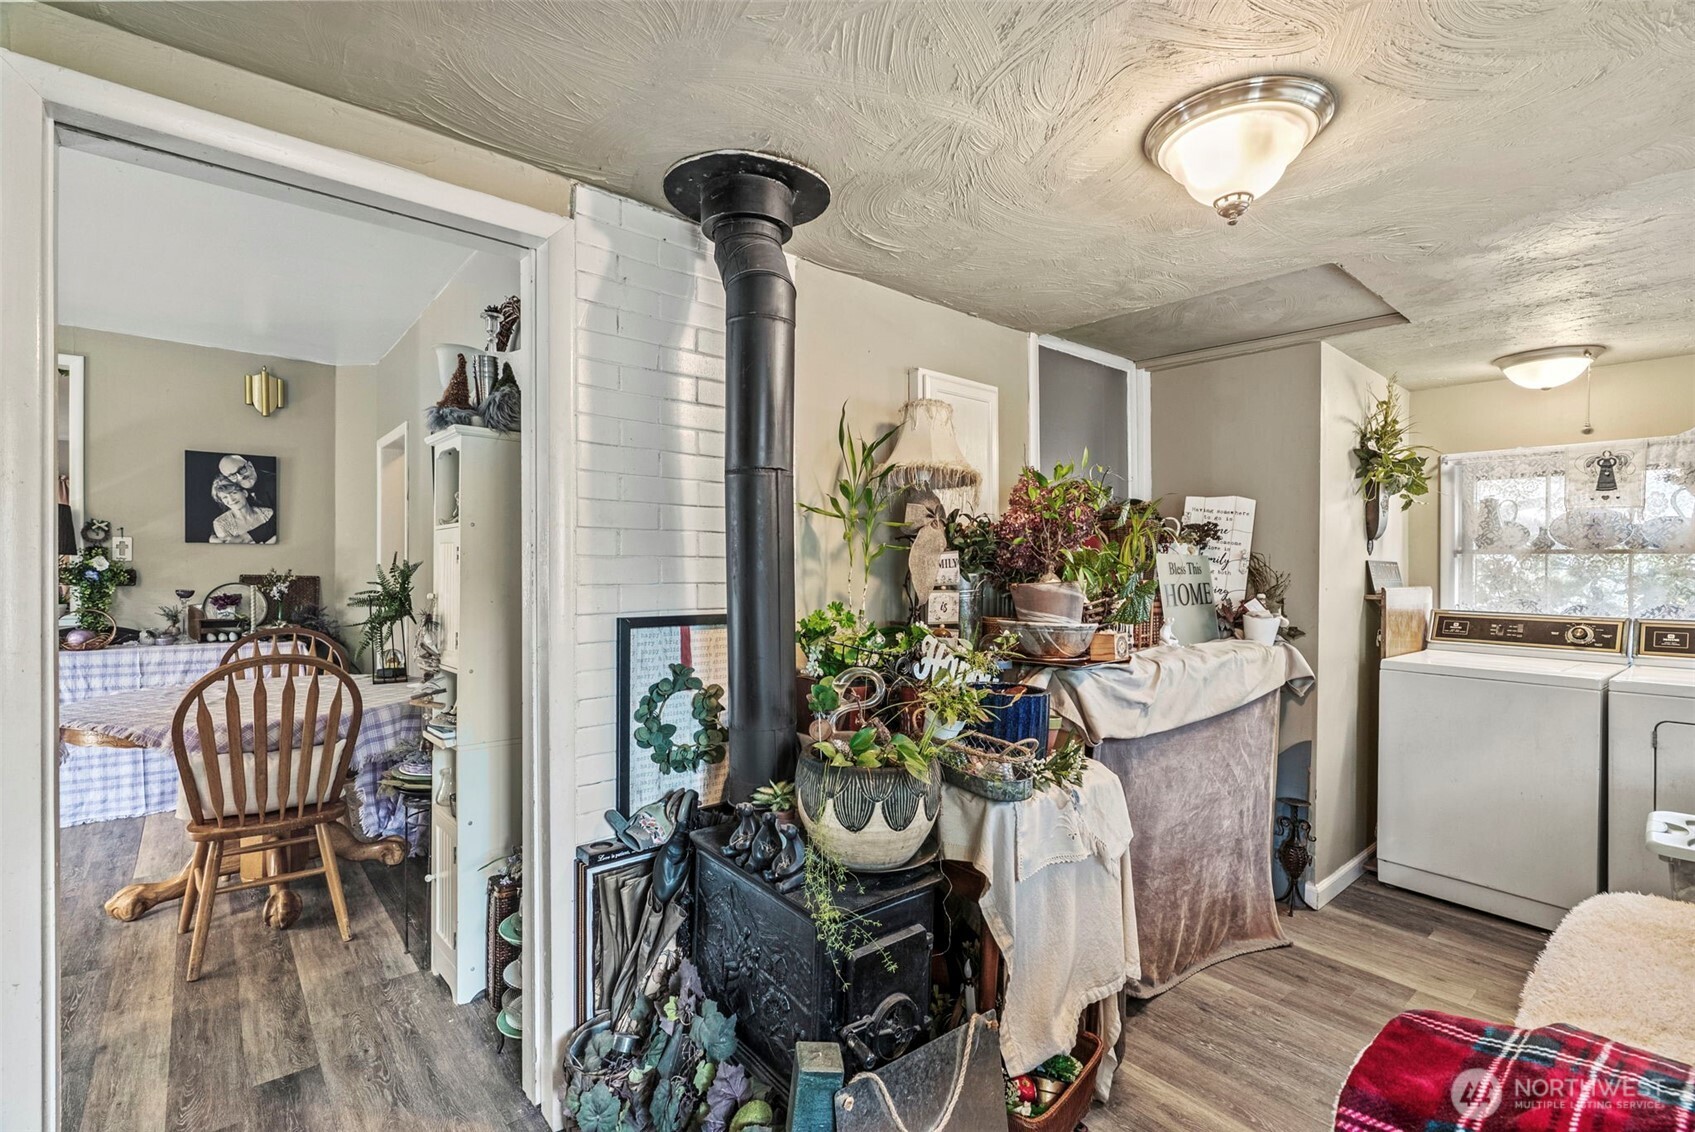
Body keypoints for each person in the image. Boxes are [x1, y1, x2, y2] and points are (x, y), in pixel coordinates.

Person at [208, 474, 276, 544]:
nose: (231, 499)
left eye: (234, 493)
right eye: (225, 497)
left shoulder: (268, 513)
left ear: (245, 493)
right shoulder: (221, 523)